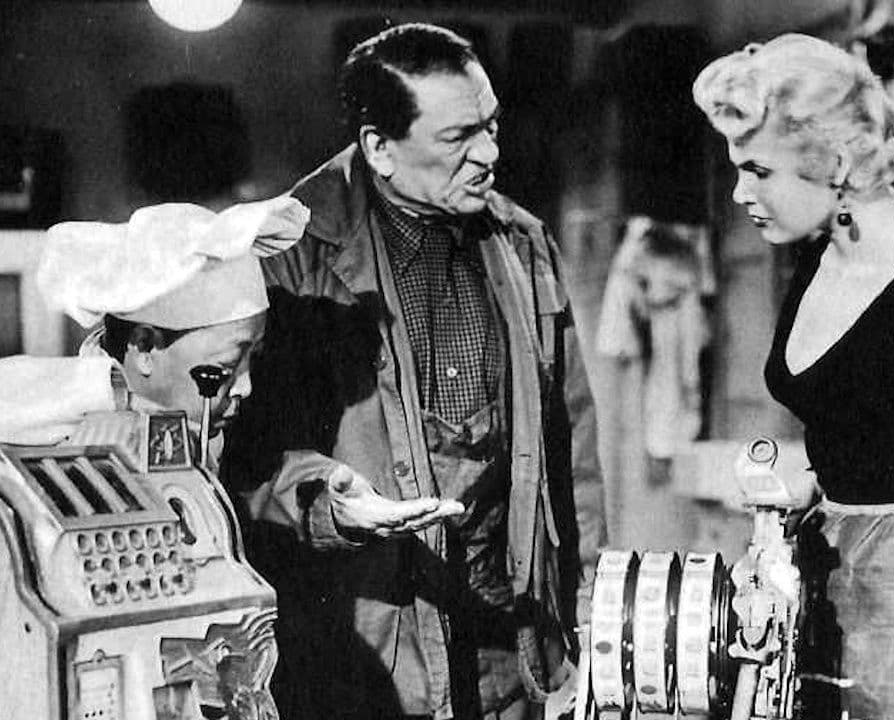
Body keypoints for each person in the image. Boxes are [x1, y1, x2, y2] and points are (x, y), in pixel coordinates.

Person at [219, 22, 606, 720]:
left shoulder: (523, 244)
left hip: (511, 650)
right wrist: (329, 505)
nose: (489, 153)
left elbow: (570, 444)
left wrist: (594, 616)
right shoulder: (290, 260)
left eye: (491, 126)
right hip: (368, 660)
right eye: (459, 137)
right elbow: (243, 461)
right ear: (380, 148)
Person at [692, 34, 894, 720]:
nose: (740, 192)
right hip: (838, 606)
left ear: (836, 162)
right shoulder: (818, 260)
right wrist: (806, 494)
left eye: (758, 170)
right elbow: (866, 425)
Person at [0, 195, 310, 457]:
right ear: (145, 348)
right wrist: (121, 397)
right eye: (225, 368)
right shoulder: (70, 410)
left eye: (252, 359)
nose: (245, 387)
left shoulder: (207, 425)